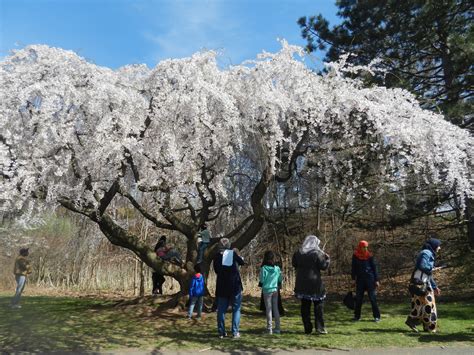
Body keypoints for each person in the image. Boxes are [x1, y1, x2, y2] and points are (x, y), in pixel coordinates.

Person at [292, 235, 330, 334]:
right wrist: (327, 260)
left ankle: (307, 327)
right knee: (318, 305)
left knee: (305, 306)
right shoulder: (317, 254)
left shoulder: (298, 253)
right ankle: (320, 328)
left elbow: (294, 264)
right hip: (315, 283)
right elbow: (323, 266)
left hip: (301, 283)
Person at [406, 237, 442, 333]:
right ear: (434, 246)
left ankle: (428, 327)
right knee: (428, 306)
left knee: (426, 306)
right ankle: (417, 322)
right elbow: (422, 266)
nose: (439, 248)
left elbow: (428, 274)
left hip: (424, 284)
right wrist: (433, 268)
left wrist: (435, 287)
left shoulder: (428, 254)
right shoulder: (426, 253)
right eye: (438, 246)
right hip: (420, 284)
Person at [213, 238, 245, 339]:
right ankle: (235, 332)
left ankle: (221, 332)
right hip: (235, 286)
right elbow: (241, 262)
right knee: (236, 309)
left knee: (221, 310)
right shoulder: (232, 254)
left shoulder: (217, 257)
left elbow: (216, 270)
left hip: (222, 286)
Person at [351, 240, 381, 322]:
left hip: (370, 279)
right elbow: (353, 268)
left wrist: (376, 280)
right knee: (358, 299)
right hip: (360, 280)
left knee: (372, 298)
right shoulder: (355, 256)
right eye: (364, 247)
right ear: (360, 247)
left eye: (366, 247)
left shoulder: (370, 256)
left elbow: (375, 268)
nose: (365, 249)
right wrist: (353, 279)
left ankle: (377, 316)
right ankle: (357, 316)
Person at [259, 250, 282, 334]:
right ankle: (278, 328)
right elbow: (280, 279)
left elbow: (262, 280)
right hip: (275, 289)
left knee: (268, 309)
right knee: (276, 309)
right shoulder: (277, 268)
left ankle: (269, 328)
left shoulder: (264, 268)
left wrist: (262, 283)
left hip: (267, 290)